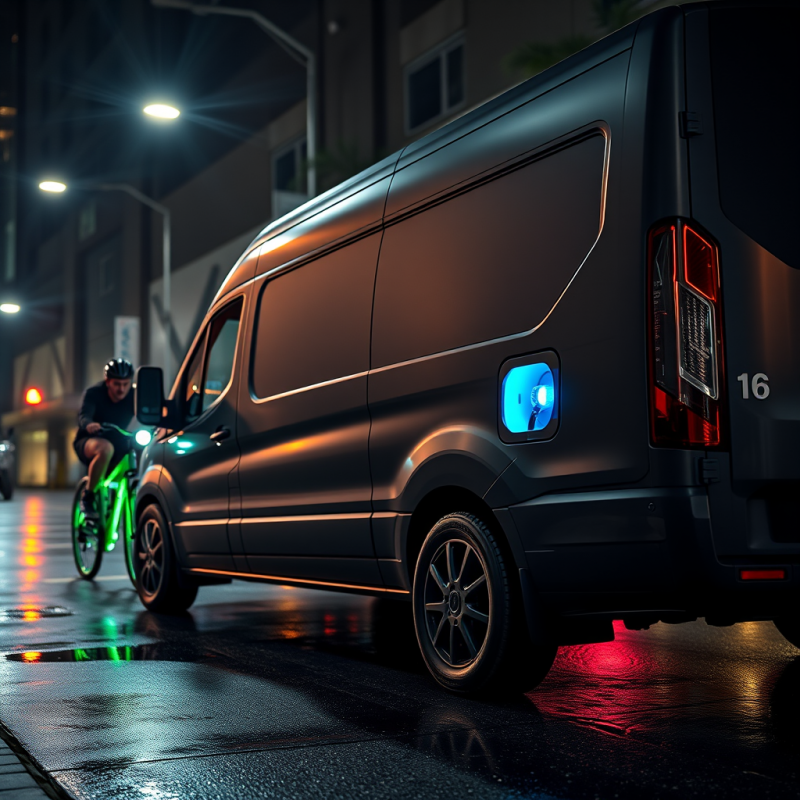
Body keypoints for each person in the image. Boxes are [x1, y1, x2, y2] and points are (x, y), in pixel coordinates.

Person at [73, 358, 135, 518]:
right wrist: (89, 424)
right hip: (90, 440)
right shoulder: (94, 393)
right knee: (106, 448)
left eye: (125, 384)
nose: (122, 389)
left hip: (120, 442)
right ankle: (88, 496)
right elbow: (84, 415)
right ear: (107, 381)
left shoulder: (135, 396)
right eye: (117, 384)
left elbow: (150, 412)